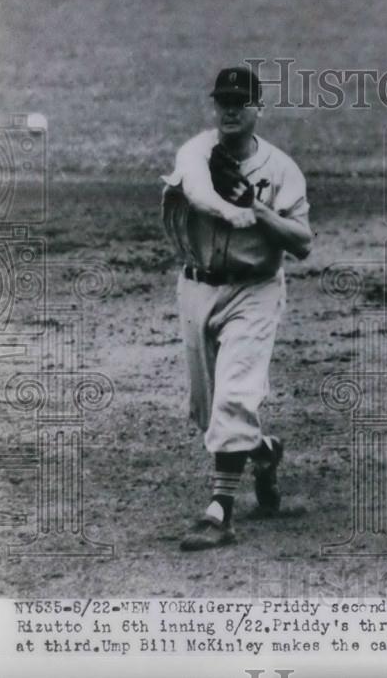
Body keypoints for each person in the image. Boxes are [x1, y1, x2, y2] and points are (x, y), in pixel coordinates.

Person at [161, 66, 313, 551]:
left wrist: (260, 211)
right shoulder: (197, 154)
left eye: (240, 101)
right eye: (223, 101)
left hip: (255, 291)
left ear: (257, 109)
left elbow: (303, 243)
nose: (229, 109)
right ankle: (263, 453)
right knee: (210, 414)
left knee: (233, 398)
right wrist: (231, 208)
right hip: (197, 288)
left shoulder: (281, 169)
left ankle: (219, 512)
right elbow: (198, 195)